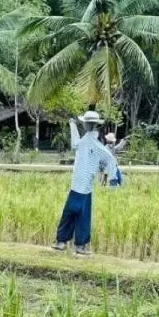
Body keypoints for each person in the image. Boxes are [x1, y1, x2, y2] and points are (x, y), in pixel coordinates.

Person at [53, 110, 117, 256]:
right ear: (96, 126)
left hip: (76, 184)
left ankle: (61, 242)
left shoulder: (83, 142)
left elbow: (74, 143)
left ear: (86, 124)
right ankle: (80, 246)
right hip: (86, 186)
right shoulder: (99, 146)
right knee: (83, 216)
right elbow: (110, 159)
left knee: (68, 213)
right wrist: (113, 178)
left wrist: (72, 125)